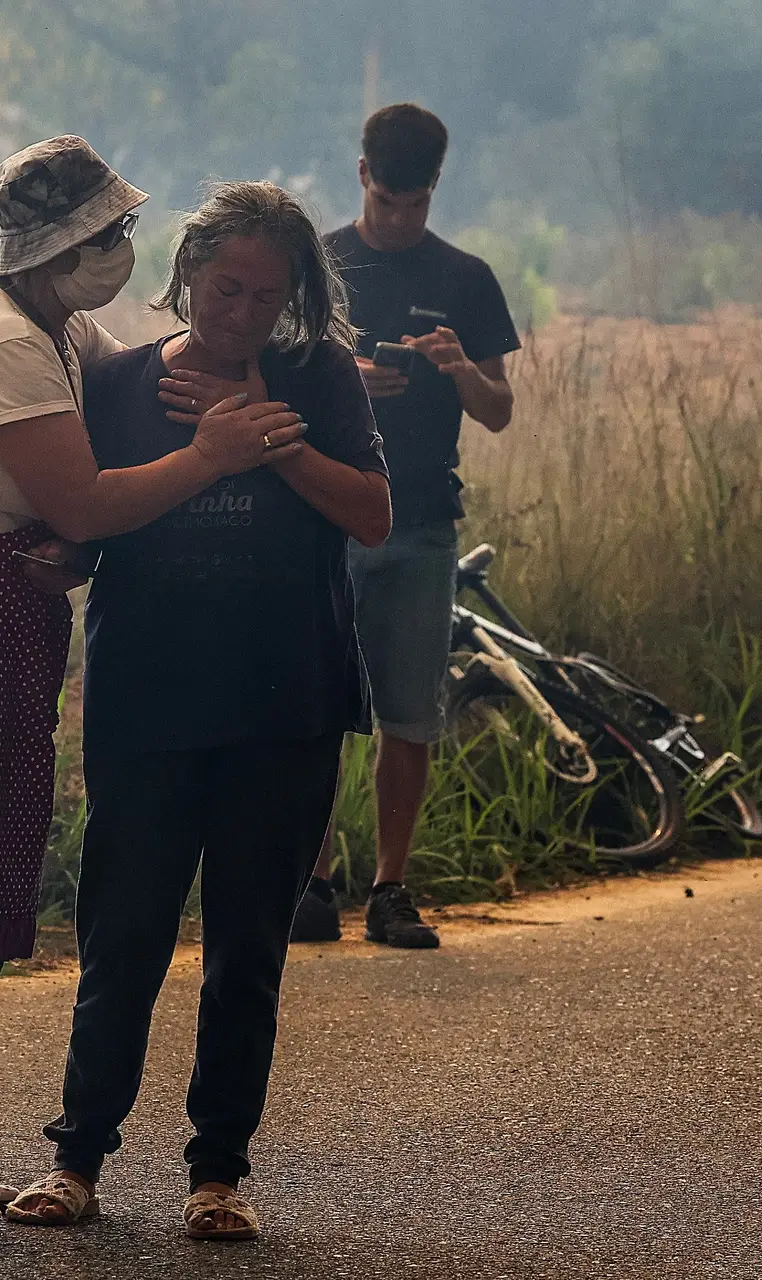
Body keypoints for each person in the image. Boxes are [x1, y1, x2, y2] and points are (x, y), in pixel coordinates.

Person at [0, 136, 294, 1234]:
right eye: (106, 235)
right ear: (58, 245)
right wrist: (212, 456)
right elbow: (81, 503)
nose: (122, 251)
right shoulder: (0, 344)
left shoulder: (55, 327)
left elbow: (94, 451)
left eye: (126, 231)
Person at [4, 182, 390, 1242]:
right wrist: (53, 557)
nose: (242, 313)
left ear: (295, 296)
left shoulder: (320, 378)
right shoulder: (118, 382)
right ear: (187, 278)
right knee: (121, 936)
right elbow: (86, 520)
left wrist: (271, 444)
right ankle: (76, 1157)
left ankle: (217, 1173)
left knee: (246, 949)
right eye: (226, 288)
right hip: (148, 702)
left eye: (268, 295)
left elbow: (371, 512)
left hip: (289, 705)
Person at [295, 103, 521, 949]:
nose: (397, 219)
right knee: (318, 708)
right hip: (327, 519)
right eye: (387, 201)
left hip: (423, 523)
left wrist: (462, 367)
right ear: (361, 177)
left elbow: (498, 411)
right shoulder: (317, 263)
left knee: (408, 714)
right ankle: (310, 883)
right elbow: (270, 382)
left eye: (414, 204)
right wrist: (345, 377)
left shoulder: (466, 278)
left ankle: (391, 889)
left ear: (433, 191)